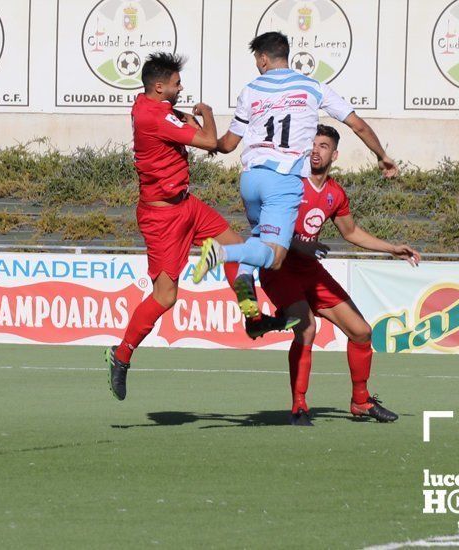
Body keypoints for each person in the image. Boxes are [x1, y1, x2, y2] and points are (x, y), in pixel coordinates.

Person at [105, 52, 293, 401]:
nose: (182, 87)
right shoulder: (154, 117)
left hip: (187, 205)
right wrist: (206, 116)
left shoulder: (148, 104)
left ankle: (252, 318)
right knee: (166, 297)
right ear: (159, 86)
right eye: (177, 84)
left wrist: (184, 121)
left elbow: (179, 126)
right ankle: (122, 354)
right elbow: (211, 142)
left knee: (235, 246)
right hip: (162, 218)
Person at [192, 31, 397, 339]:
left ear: (263, 58)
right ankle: (223, 253)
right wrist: (382, 155)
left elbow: (226, 145)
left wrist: (205, 123)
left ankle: (246, 279)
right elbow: (358, 124)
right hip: (283, 181)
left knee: (260, 235)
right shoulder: (312, 87)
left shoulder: (250, 90)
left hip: (250, 180)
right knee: (275, 257)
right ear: (284, 55)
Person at [258, 125, 421, 426]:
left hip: (310, 273)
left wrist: (391, 248)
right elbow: (266, 227)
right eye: (312, 145)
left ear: (335, 154)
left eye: (323, 146)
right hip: (278, 269)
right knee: (306, 329)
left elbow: (352, 232)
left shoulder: (334, 193)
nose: (316, 151)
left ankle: (360, 401)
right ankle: (299, 407)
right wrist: (298, 244)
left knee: (361, 332)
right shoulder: (288, 182)